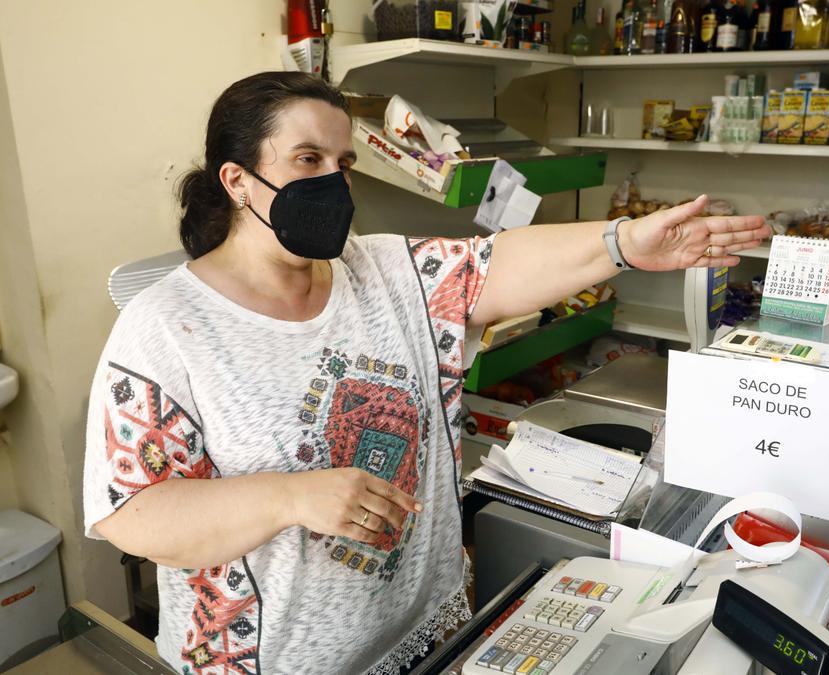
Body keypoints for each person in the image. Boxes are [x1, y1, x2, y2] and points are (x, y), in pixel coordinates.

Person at [83, 71, 769, 675]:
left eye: (343, 162)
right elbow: (134, 512)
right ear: (237, 180)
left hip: (429, 639)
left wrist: (621, 242)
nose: (332, 180)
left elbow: (499, 263)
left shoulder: (383, 271)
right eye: (307, 158)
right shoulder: (165, 327)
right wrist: (288, 498)